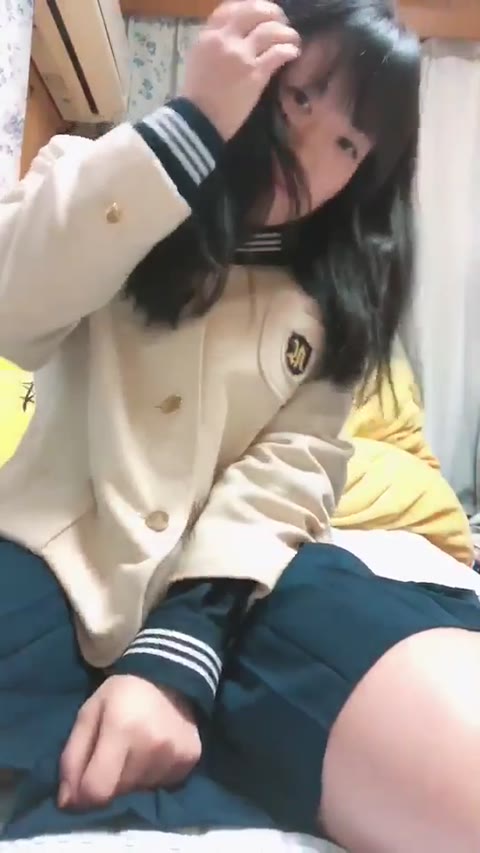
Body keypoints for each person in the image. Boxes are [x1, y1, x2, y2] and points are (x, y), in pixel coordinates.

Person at [2, 0, 480, 849]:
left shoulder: (337, 296)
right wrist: (191, 124)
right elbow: (14, 312)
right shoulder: (95, 173)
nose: (312, 153)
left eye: (350, 144)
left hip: (254, 582)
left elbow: (291, 469)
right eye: (301, 97)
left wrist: (177, 648)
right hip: (54, 555)